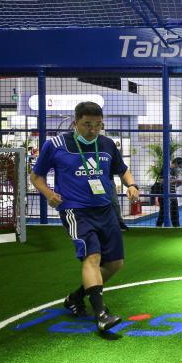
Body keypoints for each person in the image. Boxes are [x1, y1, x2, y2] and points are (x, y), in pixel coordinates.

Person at [30, 101, 138, 333]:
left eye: (98, 125)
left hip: (105, 209)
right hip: (75, 211)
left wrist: (131, 185)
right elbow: (36, 176)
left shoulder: (107, 144)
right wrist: (49, 194)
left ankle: (75, 298)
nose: (93, 130)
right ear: (75, 123)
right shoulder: (55, 145)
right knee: (92, 257)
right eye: (87, 124)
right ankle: (101, 314)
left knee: (115, 264)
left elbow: (122, 169)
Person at [155, 156, 182, 227]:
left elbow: (173, 185)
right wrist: (175, 180)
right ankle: (158, 228)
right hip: (164, 195)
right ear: (176, 163)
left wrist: (180, 183)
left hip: (173, 195)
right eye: (179, 166)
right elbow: (161, 181)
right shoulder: (165, 169)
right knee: (163, 213)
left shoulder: (174, 172)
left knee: (175, 214)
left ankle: (176, 228)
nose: (180, 168)